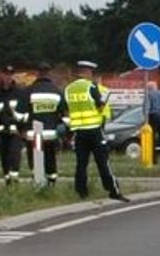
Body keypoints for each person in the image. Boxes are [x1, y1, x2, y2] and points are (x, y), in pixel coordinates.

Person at [64, 60, 129, 202]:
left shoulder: (68, 89)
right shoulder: (90, 86)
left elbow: (65, 110)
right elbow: (99, 106)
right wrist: (103, 101)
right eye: (91, 73)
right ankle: (113, 191)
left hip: (78, 132)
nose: (92, 76)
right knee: (103, 162)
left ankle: (81, 193)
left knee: (81, 164)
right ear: (87, 72)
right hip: (94, 130)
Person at [26, 62, 67, 186]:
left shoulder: (29, 90)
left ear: (37, 73)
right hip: (51, 133)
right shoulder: (56, 91)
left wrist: (21, 128)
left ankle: (38, 184)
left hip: (35, 132)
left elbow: (21, 114)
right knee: (50, 158)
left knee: (37, 158)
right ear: (49, 73)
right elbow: (63, 113)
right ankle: (52, 182)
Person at [0, 65, 29, 186]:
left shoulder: (20, 92)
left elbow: (25, 111)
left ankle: (15, 178)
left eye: (10, 74)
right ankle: (8, 179)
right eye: (5, 74)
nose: (8, 77)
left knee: (14, 154)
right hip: (0, 130)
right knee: (4, 157)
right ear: (1, 75)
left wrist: (24, 128)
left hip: (16, 130)